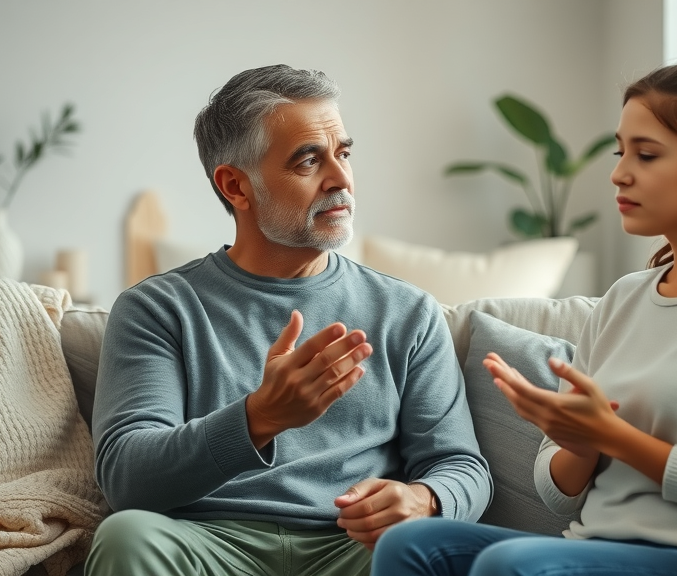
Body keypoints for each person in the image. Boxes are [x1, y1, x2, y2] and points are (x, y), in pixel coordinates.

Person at [371, 35, 677, 576]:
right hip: (595, 545)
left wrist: (617, 438)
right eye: (621, 151)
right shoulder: (626, 298)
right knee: (407, 546)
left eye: (646, 155)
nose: (620, 173)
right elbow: (559, 496)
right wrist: (578, 445)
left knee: (508, 565)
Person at [86, 65, 492, 576]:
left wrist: (424, 499)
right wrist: (259, 418)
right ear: (236, 185)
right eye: (309, 161)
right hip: (208, 544)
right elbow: (127, 478)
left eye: (343, 153)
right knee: (127, 537)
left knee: (450, 550)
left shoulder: (408, 312)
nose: (341, 179)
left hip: (352, 550)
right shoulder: (157, 308)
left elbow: (463, 467)